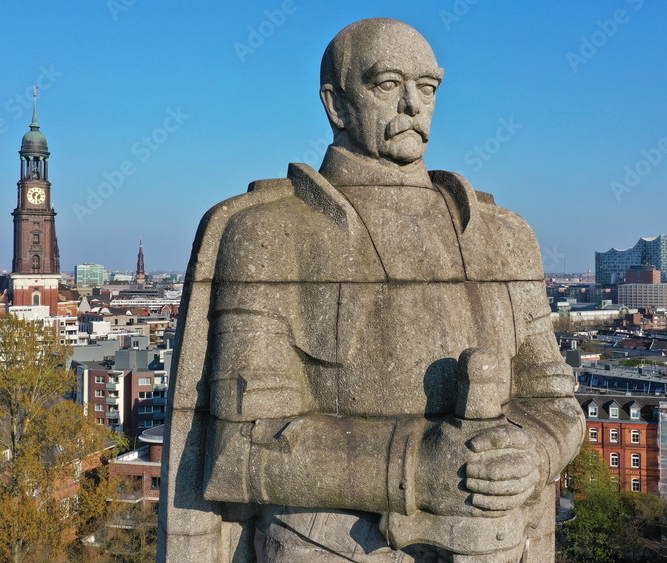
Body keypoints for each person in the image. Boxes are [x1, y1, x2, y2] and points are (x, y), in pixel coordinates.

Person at [160, 18, 583, 563]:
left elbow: (553, 402)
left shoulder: (503, 236)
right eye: (387, 84)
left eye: (427, 88)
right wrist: (417, 468)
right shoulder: (268, 231)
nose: (412, 105)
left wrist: (534, 451)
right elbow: (239, 451)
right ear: (335, 104)